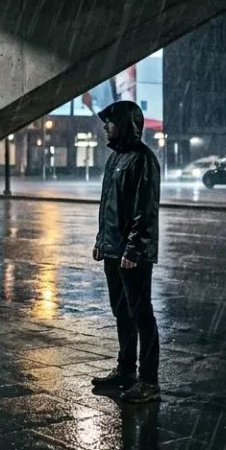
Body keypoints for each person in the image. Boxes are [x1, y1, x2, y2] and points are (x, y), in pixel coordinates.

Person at [90, 100, 162, 404]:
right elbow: (108, 205)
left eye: (110, 121)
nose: (106, 127)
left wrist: (134, 249)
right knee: (121, 312)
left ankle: (148, 380)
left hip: (132, 254)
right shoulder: (115, 159)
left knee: (141, 313)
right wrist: (101, 241)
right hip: (113, 250)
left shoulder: (142, 160)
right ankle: (125, 369)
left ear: (124, 123)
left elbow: (144, 210)